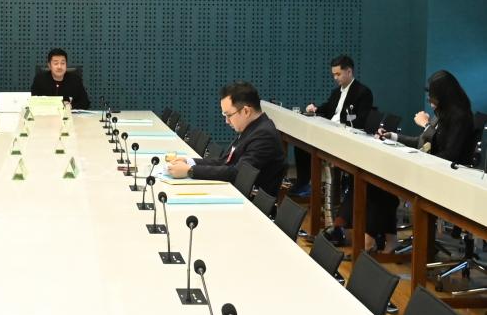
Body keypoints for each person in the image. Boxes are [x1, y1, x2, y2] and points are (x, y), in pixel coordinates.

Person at [369, 70, 475, 252]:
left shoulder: (460, 117)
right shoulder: (441, 113)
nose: (429, 99)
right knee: (377, 182)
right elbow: (422, 142)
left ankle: (377, 239)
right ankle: (383, 238)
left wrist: (426, 127)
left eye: (432, 95)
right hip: (429, 169)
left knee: (381, 185)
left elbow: (449, 155)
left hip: (446, 177)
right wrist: (392, 136)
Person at [167, 81, 286, 197]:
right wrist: (189, 162)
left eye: (229, 115)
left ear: (246, 111)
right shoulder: (253, 128)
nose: (227, 121)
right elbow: (224, 161)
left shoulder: (264, 135)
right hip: (236, 192)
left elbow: (238, 173)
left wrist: (190, 170)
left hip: (249, 203)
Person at [291, 54, 374, 198]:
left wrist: (342, 119)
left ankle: (339, 187)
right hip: (330, 132)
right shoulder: (336, 92)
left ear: (349, 71)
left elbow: (362, 118)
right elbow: (328, 108)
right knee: (301, 143)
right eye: (333, 74)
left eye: (338, 74)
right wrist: (315, 109)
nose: (335, 78)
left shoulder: (363, 92)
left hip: (345, 136)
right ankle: (303, 182)